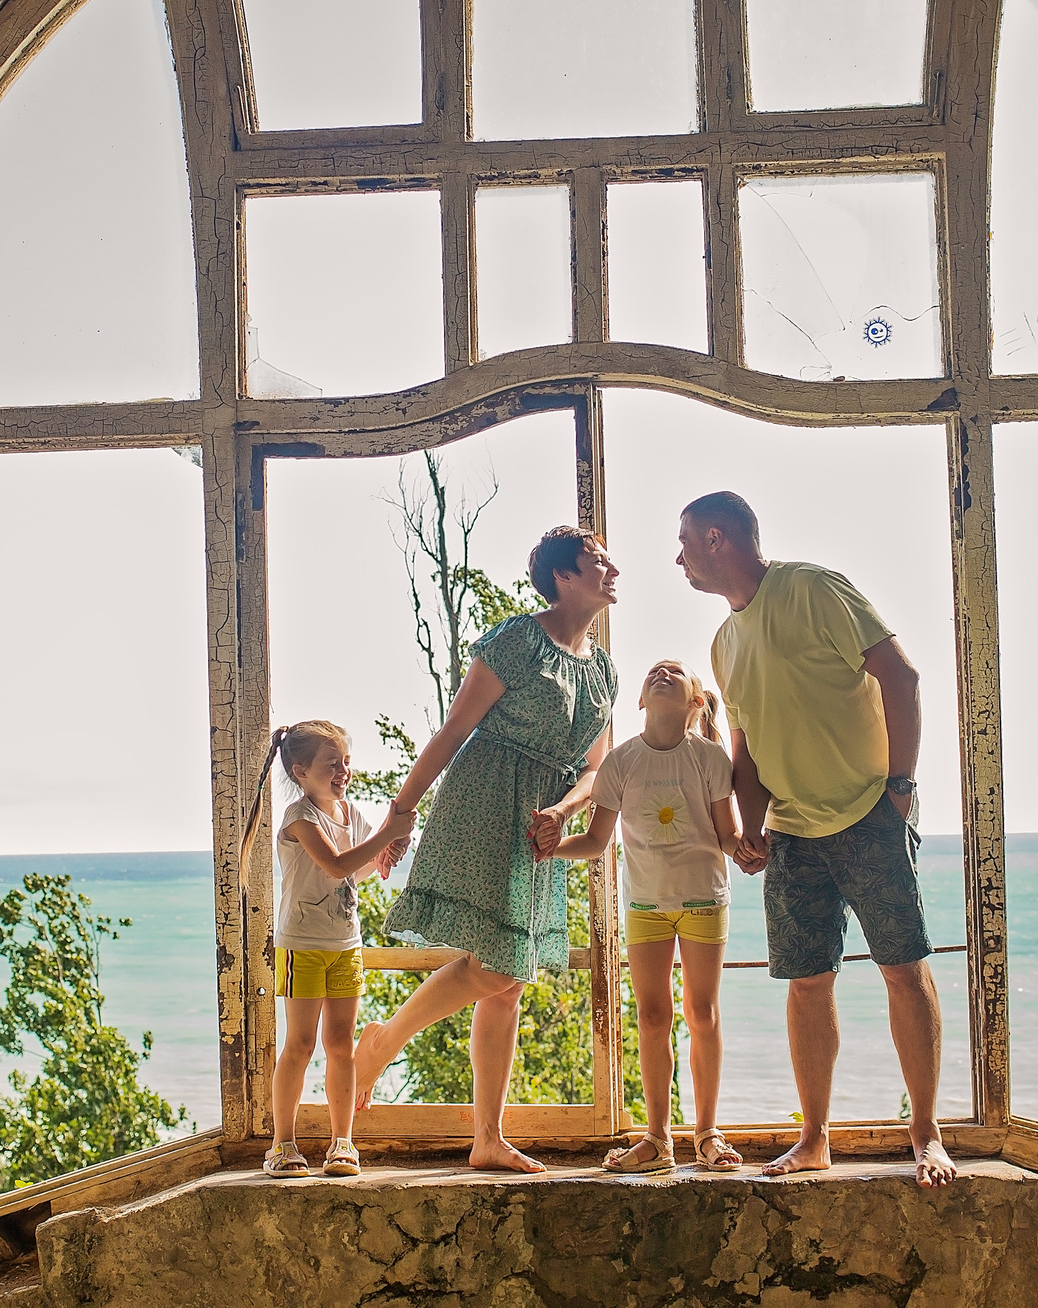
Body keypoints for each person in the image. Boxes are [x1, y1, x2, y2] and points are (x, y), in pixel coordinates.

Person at [677, 490, 959, 1190]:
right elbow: (749, 747)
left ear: (718, 538)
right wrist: (746, 828)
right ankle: (814, 1139)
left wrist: (900, 784)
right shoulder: (724, 641)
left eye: (684, 540)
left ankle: (926, 1134)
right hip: (794, 832)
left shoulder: (814, 587)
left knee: (903, 965)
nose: (677, 555)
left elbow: (901, 674)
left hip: (870, 811)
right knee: (806, 985)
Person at [350, 526, 620, 1173]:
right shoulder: (518, 639)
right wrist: (401, 812)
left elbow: (598, 768)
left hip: (540, 820)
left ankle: (487, 1137)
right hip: (486, 798)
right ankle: (383, 1042)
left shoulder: (605, 668)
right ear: (562, 575)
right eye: (596, 559)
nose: (612, 566)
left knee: (507, 983)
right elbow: (454, 729)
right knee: (501, 967)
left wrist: (563, 809)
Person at [544, 659, 748, 1173]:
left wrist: (749, 848)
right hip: (644, 908)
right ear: (639, 700)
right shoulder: (619, 762)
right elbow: (595, 841)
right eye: (655, 670)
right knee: (653, 1017)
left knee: (702, 1013)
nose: (662, 672)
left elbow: (727, 833)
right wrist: (548, 848)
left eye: (675, 672)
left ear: (695, 702)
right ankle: (658, 1140)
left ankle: (707, 1133)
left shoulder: (709, 758)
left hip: (704, 898)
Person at [243, 720, 406, 1178]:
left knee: (340, 1045)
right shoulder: (299, 818)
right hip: (303, 947)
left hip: (345, 945)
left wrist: (389, 850)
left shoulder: (350, 814)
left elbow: (363, 866)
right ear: (300, 771)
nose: (342, 772)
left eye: (346, 763)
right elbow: (335, 866)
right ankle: (282, 1144)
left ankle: (342, 1143)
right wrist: (385, 834)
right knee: (300, 1043)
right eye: (331, 764)